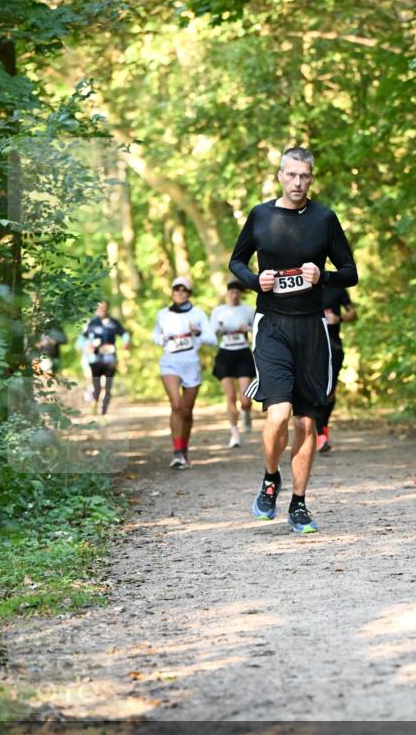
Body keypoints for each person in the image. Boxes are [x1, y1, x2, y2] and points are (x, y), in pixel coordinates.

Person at [229, 146, 358, 534]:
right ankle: (271, 478)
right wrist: (256, 281)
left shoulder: (324, 218)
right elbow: (237, 261)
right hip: (272, 325)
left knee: (305, 421)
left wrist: (324, 276)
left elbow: (350, 272)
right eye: (291, 175)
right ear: (280, 176)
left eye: (304, 176)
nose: (298, 182)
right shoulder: (261, 215)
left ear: (311, 178)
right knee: (279, 414)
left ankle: (299, 504)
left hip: (312, 329)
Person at [152, 275, 217, 469]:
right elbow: (155, 334)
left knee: (187, 412)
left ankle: (184, 450)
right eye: (176, 289)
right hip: (170, 363)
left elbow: (212, 339)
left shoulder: (198, 314)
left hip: (191, 364)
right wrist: (161, 339)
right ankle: (177, 452)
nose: (179, 293)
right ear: (172, 292)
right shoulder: (163, 314)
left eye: (184, 290)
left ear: (189, 293)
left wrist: (198, 332)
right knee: (176, 405)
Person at [210, 280, 256, 448]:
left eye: (237, 292)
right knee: (230, 397)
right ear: (227, 293)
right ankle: (234, 433)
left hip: (243, 353)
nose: (234, 295)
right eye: (232, 292)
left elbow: (259, 330)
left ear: (241, 294)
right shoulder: (218, 311)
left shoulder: (248, 310)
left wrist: (248, 329)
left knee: (245, 398)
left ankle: (246, 413)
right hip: (225, 354)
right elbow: (211, 332)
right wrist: (218, 328)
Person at [316, 285, 357, 453]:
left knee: (330, 393)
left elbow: (353, 314)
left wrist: (338, 318)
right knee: (317, 391)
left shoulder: (337, 288)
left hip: (333, 347)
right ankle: (320, 435)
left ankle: (323, 426)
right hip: (311, 347)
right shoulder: (304, 286)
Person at [84, 301, 130, 415]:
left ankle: (104, 412)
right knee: (97, 387)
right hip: (96, 360)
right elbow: (83, 339)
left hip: (110, 360)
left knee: (108, 387)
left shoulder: (114, 323)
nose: (102, 309)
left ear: (107, 308)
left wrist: (126, 342)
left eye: (104, 307)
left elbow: (125, 334)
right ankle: (94, 405)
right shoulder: (92, 323)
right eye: (99, 307)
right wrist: (88, 347)